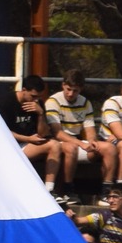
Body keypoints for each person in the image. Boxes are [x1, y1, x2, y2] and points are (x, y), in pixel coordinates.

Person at [44, 70, 101, 202]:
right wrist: (81, 143)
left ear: (81, 88)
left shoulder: (85, 103)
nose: (70, 94)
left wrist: (92, 141)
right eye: (68, 89)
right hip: (59, 142)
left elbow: (90, 128)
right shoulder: (53, 101)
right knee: (71, 148)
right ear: (63, 85)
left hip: (77, 141)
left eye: (75, 91)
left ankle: (108, 190)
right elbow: (57, 133)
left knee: (107, 149)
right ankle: (68, 189)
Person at [4, 76, 57, 190]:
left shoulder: (37, 104)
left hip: (26, 146)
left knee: (55, 145)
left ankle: (50, 190)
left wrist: (41, 114)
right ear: (23, 90)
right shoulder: (6, 101)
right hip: (7, 147)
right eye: (33, 96)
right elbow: (1, 132)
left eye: (38, 97)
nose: (35, 100)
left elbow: (43, 134)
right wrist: (27, 139)